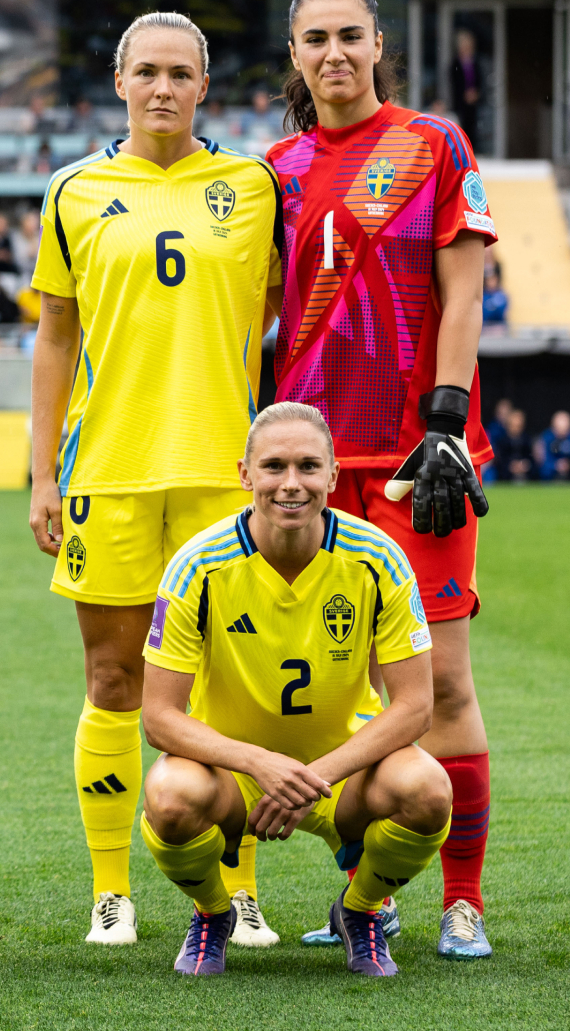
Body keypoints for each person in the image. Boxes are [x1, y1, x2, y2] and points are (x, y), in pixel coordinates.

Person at [27, 10, 284, 949]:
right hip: (112, 471)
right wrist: (42, 471)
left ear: (205, 86)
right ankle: (111, 891)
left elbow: (274, 309)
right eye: (147, 71)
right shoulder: (74, 189)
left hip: (225, 473)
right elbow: (55, 336)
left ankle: (239, 885)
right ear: (120, 81)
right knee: (113, 677)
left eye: (182, 72)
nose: (164, 87)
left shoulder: (252, 186)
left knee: (227, 691)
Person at [269, 0, 497, 958]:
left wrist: (444, 422)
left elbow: (464, 290)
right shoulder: (271, 169)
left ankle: (464, 899)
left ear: (377, 44)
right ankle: (370, 896)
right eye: (315, 38)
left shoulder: (433, 143)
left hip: (418, 463)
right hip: (311, 469)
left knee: (440, 685)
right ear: (294, 53)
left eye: (350, 36)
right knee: (338, 695)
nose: (334, 54)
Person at [140, 403, 452, 977]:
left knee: (428, 790)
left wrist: (317, 776)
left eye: (309, 467)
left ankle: (359, 912)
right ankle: (213, 912)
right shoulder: (197, 566)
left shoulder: (378, 558)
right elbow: (158, 718)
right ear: (245, 474)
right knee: (168, 796)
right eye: (274, 466)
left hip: (345, 775)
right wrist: (260, 764)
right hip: (235, 778)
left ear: (333, 476)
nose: (291, 484)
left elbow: (416, 707)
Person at [449, 29, 485, 151]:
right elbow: (454, 83)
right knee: (461, 130)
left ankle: (472, 152)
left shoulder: (475, 63)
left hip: (473, 103)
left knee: (473, 129)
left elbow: (480, 81)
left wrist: (476, 93)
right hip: (460, 102)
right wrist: (464, 95)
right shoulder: (455, 63)